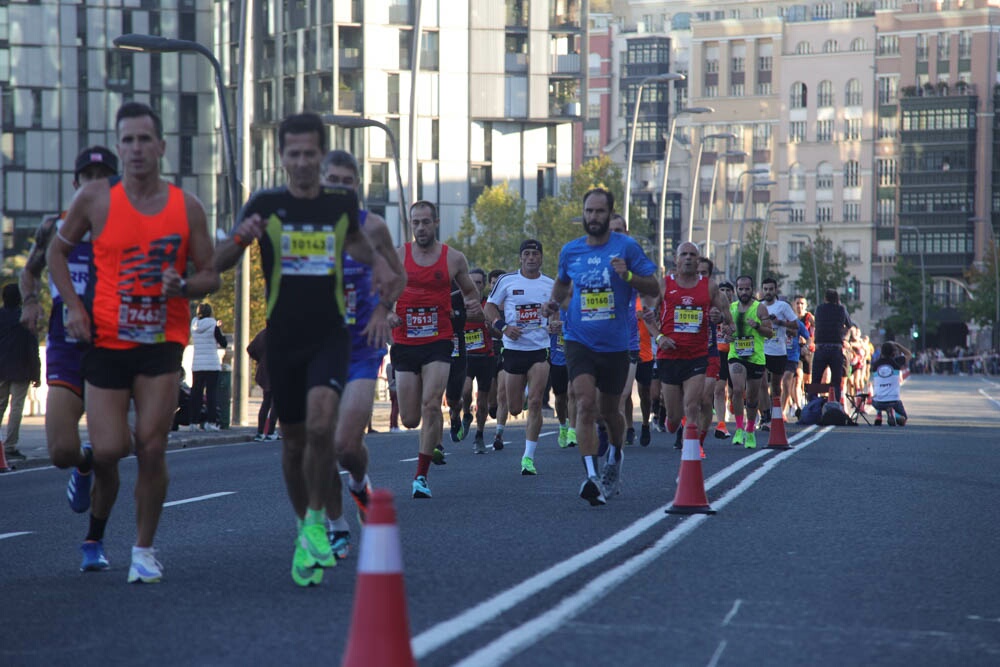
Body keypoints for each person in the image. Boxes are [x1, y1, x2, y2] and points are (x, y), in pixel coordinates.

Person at [215, 113, 396, 586]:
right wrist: (240, 238)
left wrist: (380, 275)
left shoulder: (341, 205)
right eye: (292, 154)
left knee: (324, 429)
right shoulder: (265, 202)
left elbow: (369, 252)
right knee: (294, 444)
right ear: (281, 157)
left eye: (309, 154)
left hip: (333, 336)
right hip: (285, 339)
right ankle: (307, 527)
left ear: (320, 154)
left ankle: (323, 520)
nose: (301, 162)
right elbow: (219, 262)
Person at [48, 102, 220, 583]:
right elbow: (56, 254)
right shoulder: (95, 199)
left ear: (162, 147)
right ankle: (96, 495)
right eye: (129, 140)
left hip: (161, 340)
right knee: (107, 449)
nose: (137, 149)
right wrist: (75, 310)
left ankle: (143, 549)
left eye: (146, 140)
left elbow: (210, 275)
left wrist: (183, 286)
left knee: (151, 444)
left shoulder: (187, 207)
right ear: (120, 146)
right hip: (106, 339)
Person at [19, 145, 122, 570]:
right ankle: (81, 467)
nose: (95, 181)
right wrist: (30, 303)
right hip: (66, 345)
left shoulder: (126, 229)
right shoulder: (56, 227)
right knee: (62, 450)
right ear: (75, 183)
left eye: (104, 175)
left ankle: (94, 542)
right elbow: (31, 270)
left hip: (115, 347)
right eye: (88, 174)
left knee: (111, 450)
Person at [542, 188, 659, 505]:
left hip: (616, 344)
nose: (593, 217)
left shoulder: (627, 247)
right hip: (580, 340)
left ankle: (615, 457)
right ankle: (591, 476)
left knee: (610, 411)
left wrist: (629, 275)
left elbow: (653, 287)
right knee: (584, 403)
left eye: (599, 212)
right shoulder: (570, 251)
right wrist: (553, 303)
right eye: (588, 211)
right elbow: (563, 283)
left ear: (609, 214)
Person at [320, 148, 406, 560]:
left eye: (346, 182)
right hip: (318, 348)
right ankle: (336, 525)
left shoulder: (373, 228)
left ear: (357, 186)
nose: (338, 188)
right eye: (331, 181)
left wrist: (383, 309)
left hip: (360, 348)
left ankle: (359, 483)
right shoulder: (306, 228)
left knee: (345, 445)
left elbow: (398, 275)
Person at [391, 200, 482, 499]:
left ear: (436, 222)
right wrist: (386, 312)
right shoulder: (399, 255)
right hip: (404, 341)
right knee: (409, 419)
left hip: (438, 340)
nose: (420, 228)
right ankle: (428, 437)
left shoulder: (453, 258)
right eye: (415, 222)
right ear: (411, 224)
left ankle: (421, 476)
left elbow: (470, 291)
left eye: (425, 222)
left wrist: (471, 304)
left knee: (431, 404)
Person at [644, 247, 731, 461]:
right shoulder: (665, 283)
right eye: (684, 254)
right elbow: (647, 316)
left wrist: (717, 317)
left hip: (698, 355)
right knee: (674, 419)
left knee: (693, 404)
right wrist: (659, 337)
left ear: (698, 260)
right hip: (670, 356)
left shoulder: (709, 287)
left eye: (693, 255)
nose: (689, 258)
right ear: (676, 260)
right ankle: (672, 423)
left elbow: (726, 318)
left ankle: (690, 456)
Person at [484, 239, 554, 475]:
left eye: (535, 253)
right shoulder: (507, 281)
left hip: (539, 348)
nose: (531, 257)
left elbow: (557, 314)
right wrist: (503, 327)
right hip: (513, 349)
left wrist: (556, 324)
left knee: (535, 402)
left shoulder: (550, 284)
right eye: (527, 253)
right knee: (514, 409)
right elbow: (489, 308)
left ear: (541, 258)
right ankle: (522, 393)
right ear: (521, 258)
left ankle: (528, 457)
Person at [726, 276, 774, 449]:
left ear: (752, 290)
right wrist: (727, 335)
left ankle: (750, 430)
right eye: (740, 289)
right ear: (736, 290)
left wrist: (757, 327)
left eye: (747, 289)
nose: (744, 292)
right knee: (738, 390)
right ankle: (739, 428)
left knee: (753, 398)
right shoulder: (731, 309)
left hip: (755, 357)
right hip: (736, 355)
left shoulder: (759, 308)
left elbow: (770, 333)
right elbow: (726, 331)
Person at [0, 283, 41, 462]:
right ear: (20, 298)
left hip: (1, 368)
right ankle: (9, 446)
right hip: (20, 368)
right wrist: (36, 373)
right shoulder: (25, 318)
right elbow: (32, 347)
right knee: (16, 407)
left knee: (0, 405)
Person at [460, 268, 495, 453]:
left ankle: (479, 435)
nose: (475, 285)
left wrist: (491, 327)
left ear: (483, 286)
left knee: (482, 403)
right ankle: (466, 414)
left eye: (479, 282)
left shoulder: (488, 305)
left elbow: (498, 333)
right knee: (465, 390)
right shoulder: (459, 304)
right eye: (471, 282)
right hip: (466, 358)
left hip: (485, 357)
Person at [758, 277, 798, 432]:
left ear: (775, 290)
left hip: (778, 350)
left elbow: (795, 325)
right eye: (765, 289)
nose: (768, 292)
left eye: (770, 289)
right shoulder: (759, 306)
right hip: (762, 350)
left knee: (775, 386)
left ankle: (777, 414)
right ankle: (765, 416)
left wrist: (779, 322)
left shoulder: (783, 306)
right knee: (761, 384)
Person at [188, 302, 227, 431]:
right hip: (212, 364)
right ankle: (211, 422)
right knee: (211, 394)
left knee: (196, 394)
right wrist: (219, 328)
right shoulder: (213, 325)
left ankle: (193, 422)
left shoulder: (193, 325)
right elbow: (224, 343)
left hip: (197, 364)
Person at [811, 288, 855, 402]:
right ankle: (834, 404)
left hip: (820, 347)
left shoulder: (819, 309)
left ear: (825, 298)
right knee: (836, 381)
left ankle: (812, 405)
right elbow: (849, 324)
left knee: (816, 380)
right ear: (837, 299)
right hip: (836, 348)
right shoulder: (841, 309)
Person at [247, 327, 278, 441]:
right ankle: (270, 431)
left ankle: (260, 432)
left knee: (266, 401)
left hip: (265, 369)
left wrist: (260, 359)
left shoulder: (264, 333)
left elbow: (250, 349)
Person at [872, 341, 912, 426]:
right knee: (903, 420)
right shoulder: (897, 361)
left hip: (878, 402)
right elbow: (909, 354)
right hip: (894, 401)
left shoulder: (875, 365)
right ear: (893, 353)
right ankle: (896, 415)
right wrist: (898, 345)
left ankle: (879, 415)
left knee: (876, 394)